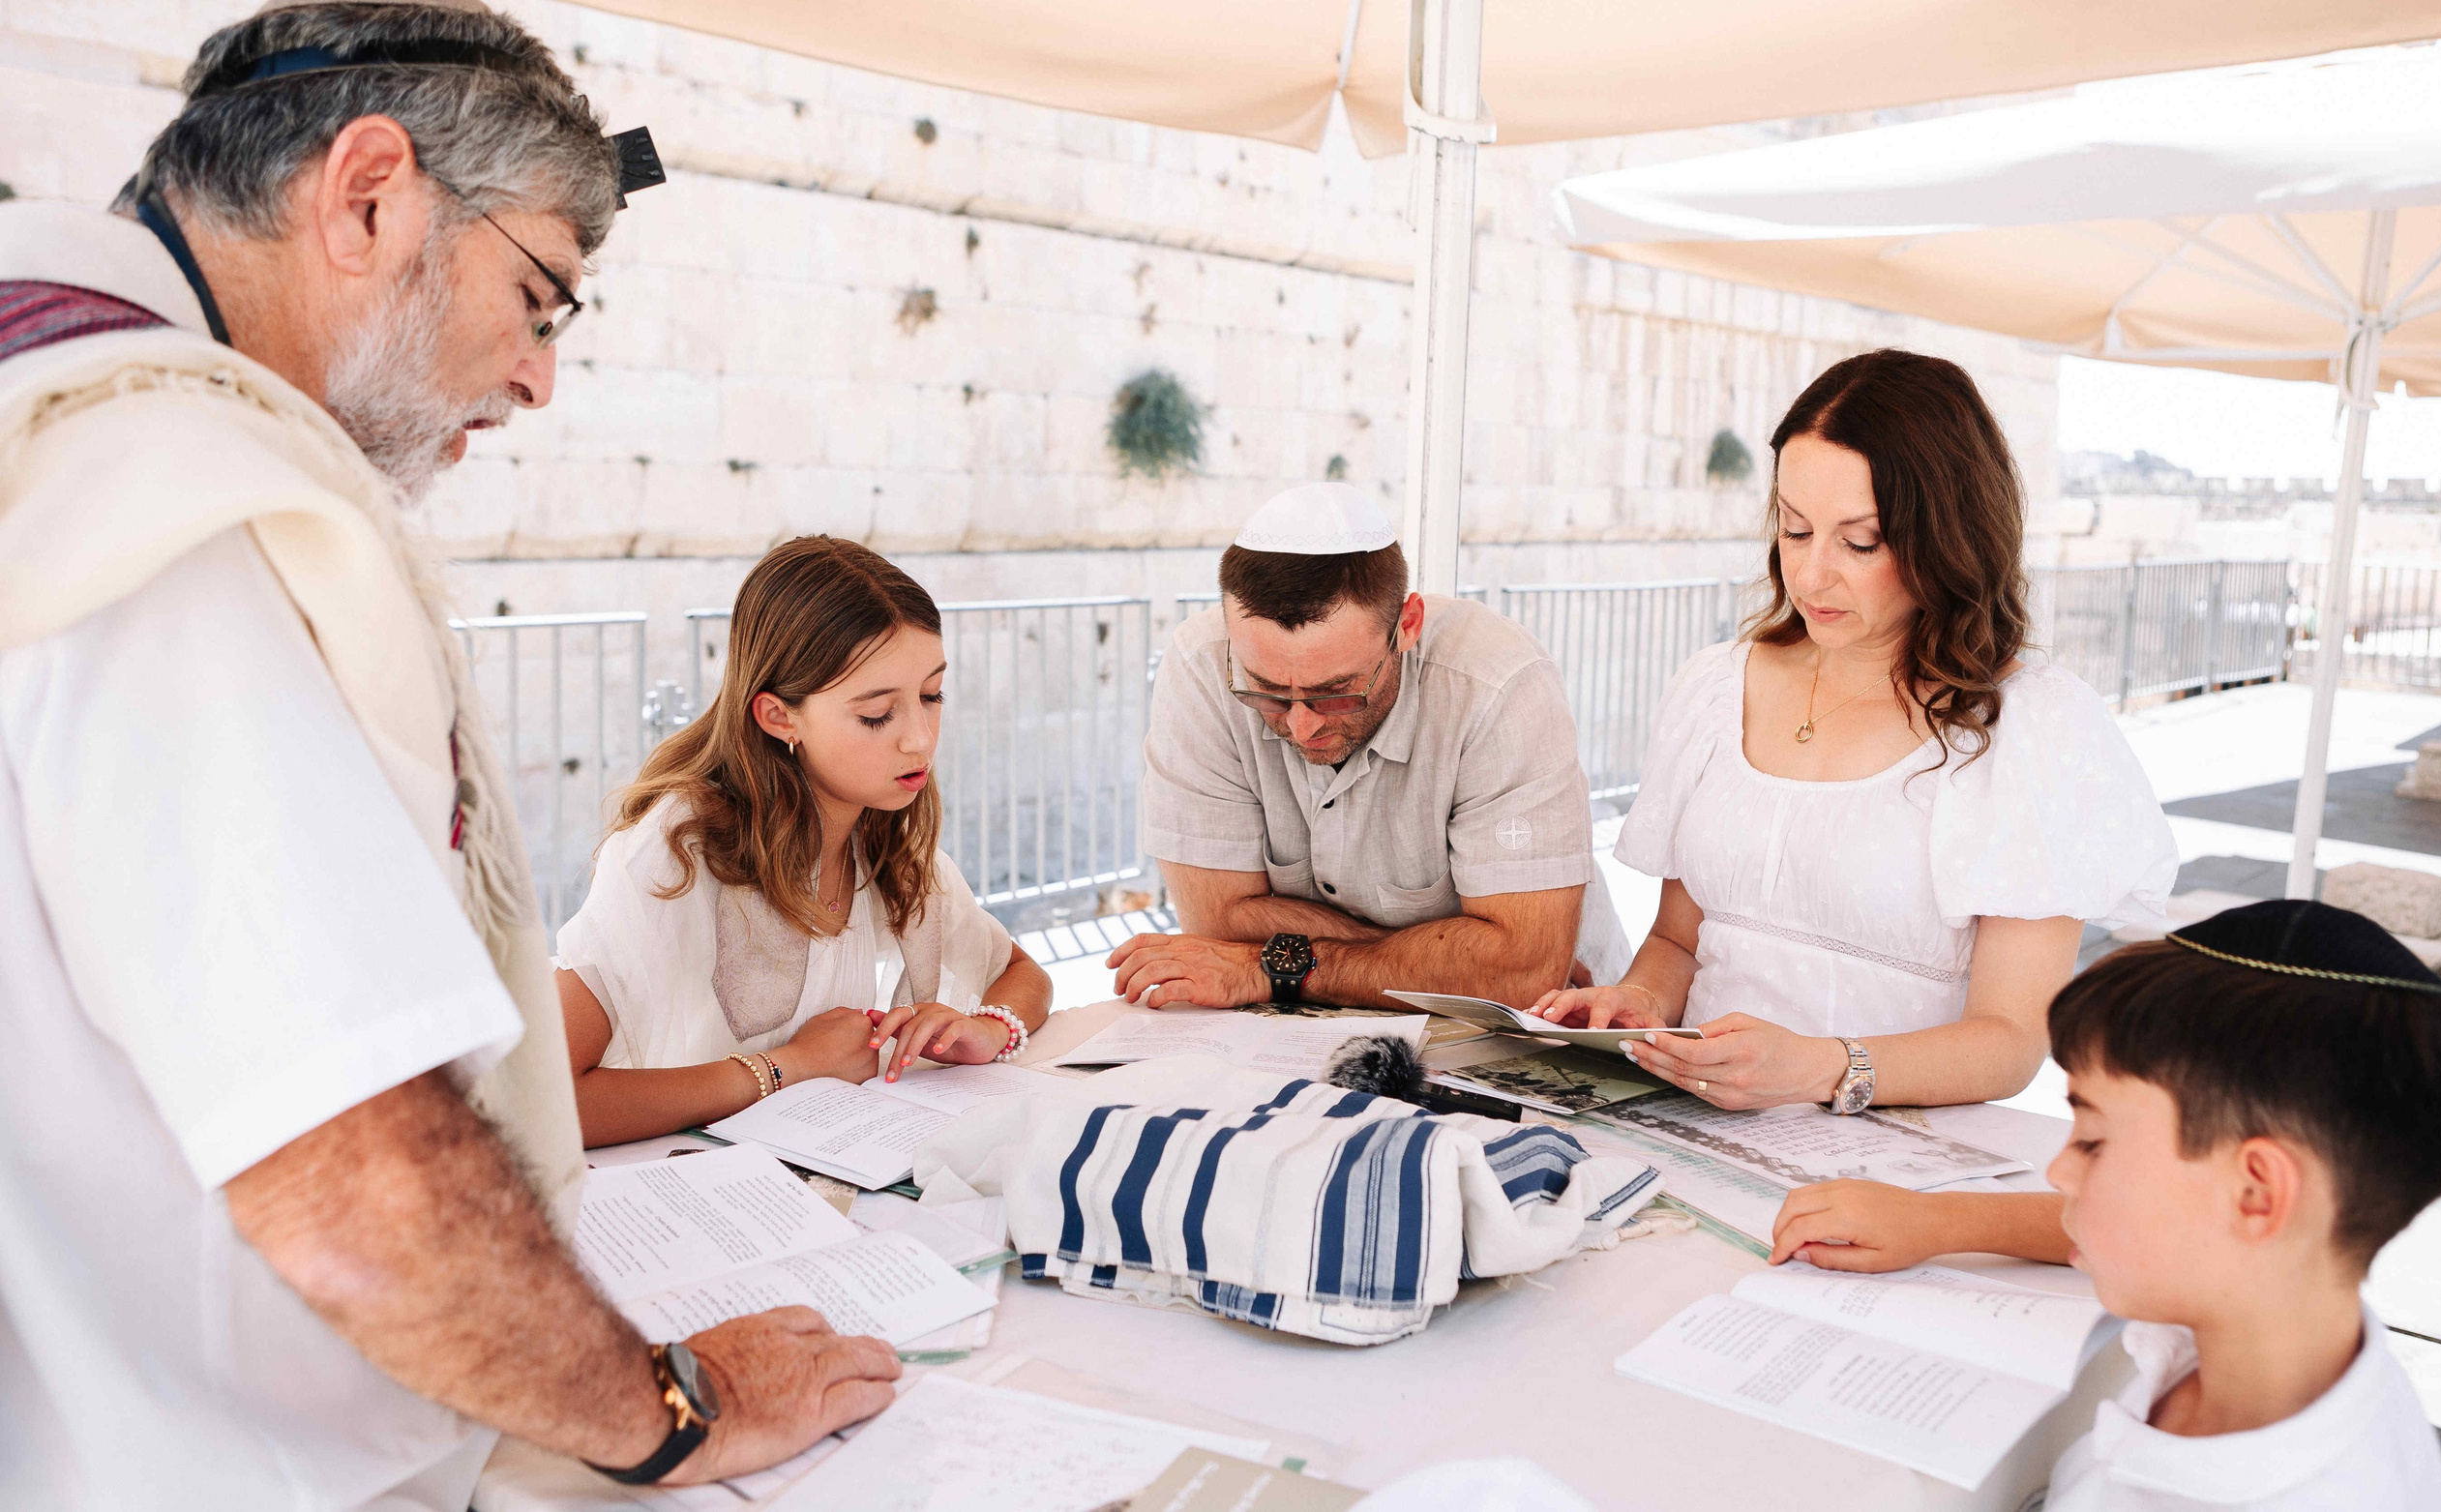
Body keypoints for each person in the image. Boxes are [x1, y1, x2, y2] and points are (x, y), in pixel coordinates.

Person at [0, 0, 894, 1507]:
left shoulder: (48, 412)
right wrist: (669, 1406)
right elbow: (355, 1176)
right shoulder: (174, 507)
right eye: (537, 293)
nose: (539, 375)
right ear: (367, 195)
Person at [1531, 350, 2177, 1111]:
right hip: (1697, 1121)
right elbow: (1679, 939)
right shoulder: (1716, 685)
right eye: (1795, 529)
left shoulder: (2028, 726)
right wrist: (1638, 1000)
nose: (1809, 574)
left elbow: (2009, 1040)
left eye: (1859, 541)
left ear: (1948, 536)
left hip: (1902, 1162)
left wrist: (1825, 1068)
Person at [1769, 902, 2441, 1510]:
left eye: (2095, 1140)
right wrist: (1939, 1221)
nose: (2059, 1168)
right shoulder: (2274, 1314)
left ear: (2258, 1193)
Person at [556, 536, 1052, 1145]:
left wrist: (987, 1026)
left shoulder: (886, 842)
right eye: (876, 714)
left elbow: (1024, 973)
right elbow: (543, 1100)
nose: (920, 739)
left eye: (932, 696)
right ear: (778, 716)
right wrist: (789, 1068)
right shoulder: (679, 850)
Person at [1110, 481, 1628, 1011]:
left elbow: (1520, 977)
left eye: (1336, 692)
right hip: (1322, 1015)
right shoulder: (1203, 666)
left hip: (1559, 1017)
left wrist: (1276, 963)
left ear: (1408, 625)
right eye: (1264, 691)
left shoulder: (1500, 684)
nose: (1301, 726)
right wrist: (1470, 965)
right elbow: (1217, 919)